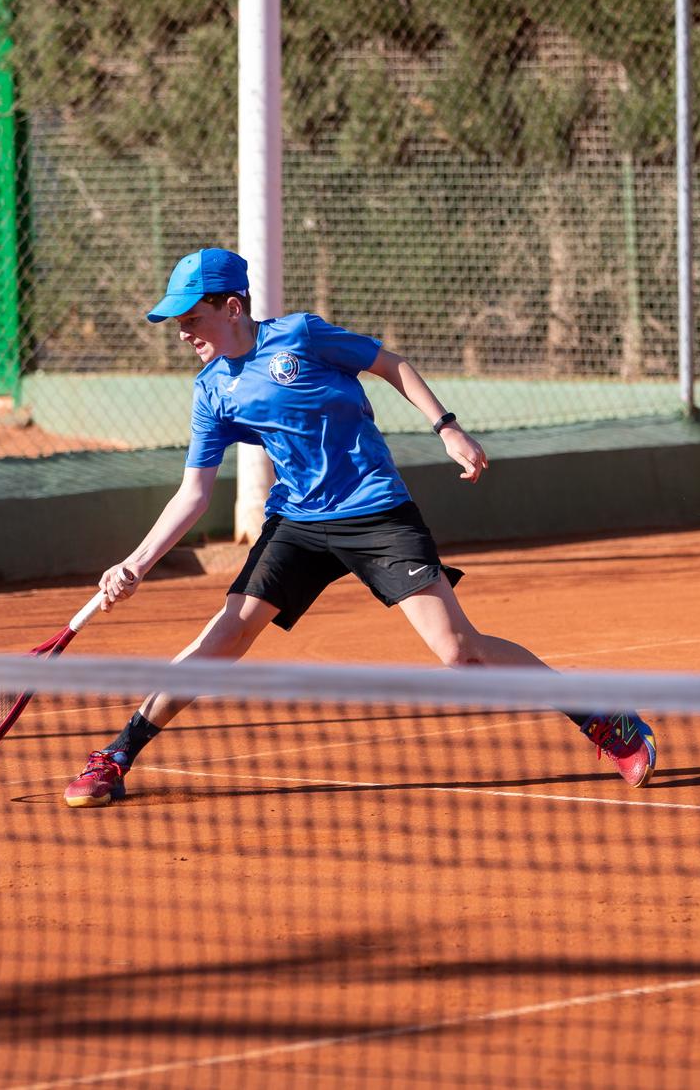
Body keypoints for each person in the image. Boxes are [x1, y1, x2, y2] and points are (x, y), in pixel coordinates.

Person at [62, 247, 656, 808]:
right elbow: (194, 493)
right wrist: (136, 563)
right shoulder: (212, 391)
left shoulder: (298, 335)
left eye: (192, 317)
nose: (183, 332)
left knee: (459, 653)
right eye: (176, 321)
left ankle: (604, 718)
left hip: (375, 511)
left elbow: (391, 365)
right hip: (297, 521)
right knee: (222, 639)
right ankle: (117, 755)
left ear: (232, 308)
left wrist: (446, 427)